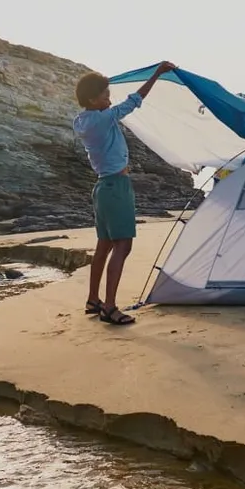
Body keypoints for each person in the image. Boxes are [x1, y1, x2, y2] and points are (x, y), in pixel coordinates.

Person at [73, 60, 176, 325]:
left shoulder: (82, 120)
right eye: (105, 94)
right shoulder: (103, 118)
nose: (109, 98)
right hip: (116, 188)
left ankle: (93, 300)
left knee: (104, 245)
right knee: (123, 245)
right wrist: (156, 74)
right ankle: (109, 307)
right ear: (93, 99)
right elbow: (134, 101)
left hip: (102, 188)